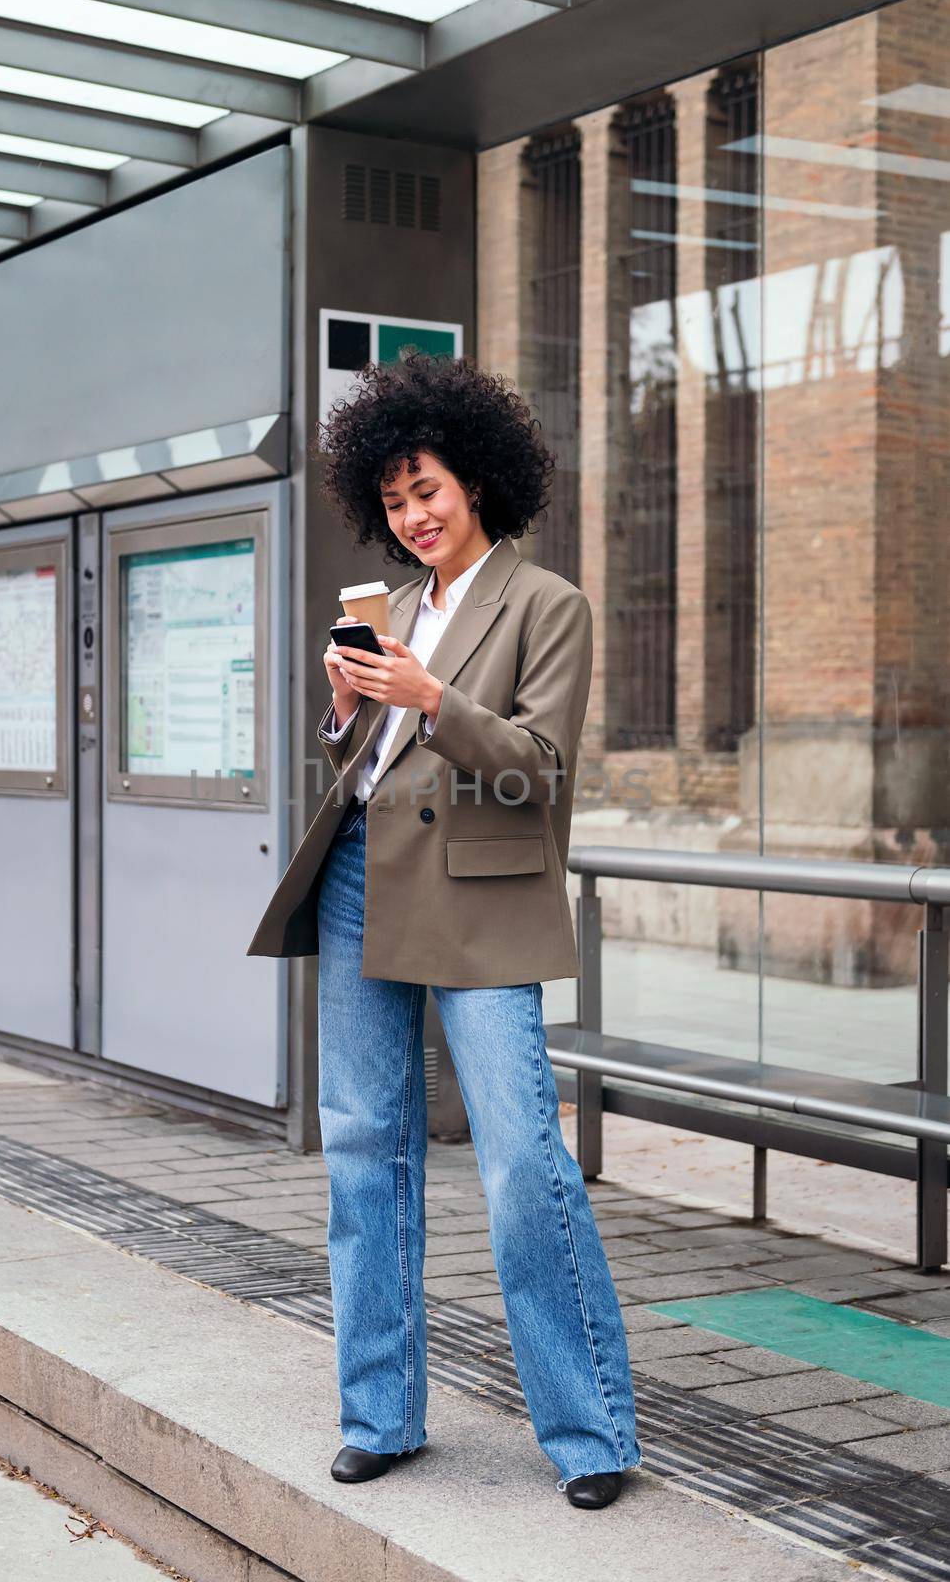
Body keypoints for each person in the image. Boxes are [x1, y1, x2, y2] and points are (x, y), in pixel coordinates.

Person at [246, 351, 640, 1510]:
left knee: (522, 1159)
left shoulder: (544, 602)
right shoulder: (403, 611)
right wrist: (349, 709)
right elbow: (369, 770)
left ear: (476, 479)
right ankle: (380, 1413)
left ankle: (590, 1431)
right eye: (393, 500)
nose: (413, 516)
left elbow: (540, 773)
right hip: (365, 877)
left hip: (481, 896)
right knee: (365, 1152)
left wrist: (432, 700)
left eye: (428, 489)